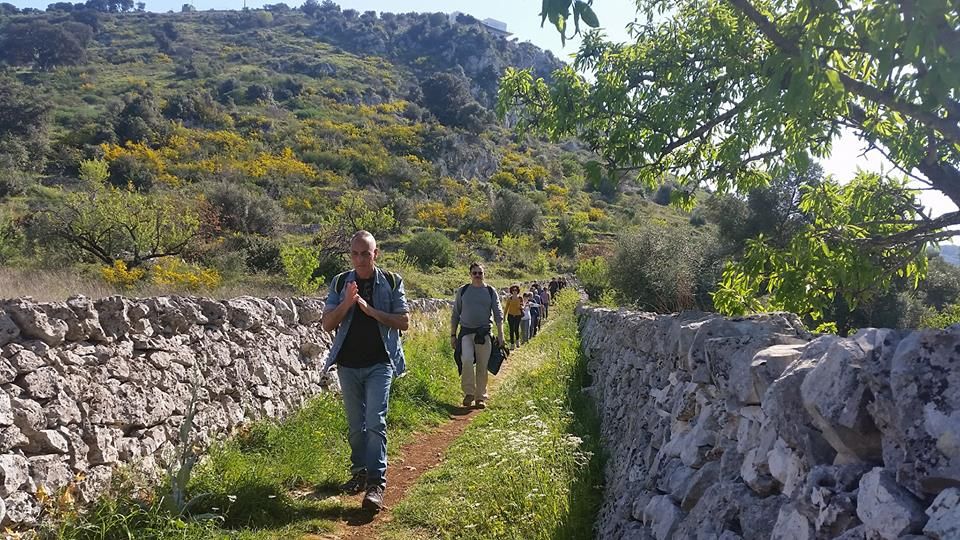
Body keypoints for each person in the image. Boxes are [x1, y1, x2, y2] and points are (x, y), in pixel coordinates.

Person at [322, 230, 409, 512]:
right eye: (355, 253)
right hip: (347, 364)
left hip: (380, 363)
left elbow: (404, 322)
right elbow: (327, 324)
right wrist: (348, 303)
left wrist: (371, 311)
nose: (360, 259)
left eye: (365, 253)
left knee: (375, 422)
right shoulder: (340, 283)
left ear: (376, 253)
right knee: (355, 426)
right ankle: (359, 471)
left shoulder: (392, 282)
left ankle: (375, 483)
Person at [450, 262, 504, 409]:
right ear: (470, 274)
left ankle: (480, 397)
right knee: (466, 360)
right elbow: (455, 314)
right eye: (475, 273)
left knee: (482, 366)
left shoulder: (490, 291)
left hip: (484, 333)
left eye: (480, 273)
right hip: (466, 332)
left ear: (484, 274)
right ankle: (469, 393)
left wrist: (501, 335)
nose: (478, 275)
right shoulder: (463, 291)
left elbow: (498, 314)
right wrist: (453, 335)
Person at [504, 284, 523, 348]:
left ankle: (517, 342)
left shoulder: (520, 298)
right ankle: (512, 344)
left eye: (516, 290)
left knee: (516, 329)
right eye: (513, 290)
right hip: (510, 315)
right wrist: (504, 316)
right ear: (511, 291)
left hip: (518, 315)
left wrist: (520, 306)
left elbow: (522, 306)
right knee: (511, 330)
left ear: (518, 291)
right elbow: (506, 308)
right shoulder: (510, 299)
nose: (514, 291)